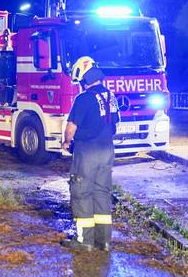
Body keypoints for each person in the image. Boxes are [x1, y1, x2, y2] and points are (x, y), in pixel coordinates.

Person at [61, 56, 120, 252]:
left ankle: (84, 241)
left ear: (84, 78)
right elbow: (115, 124)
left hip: (87, 152)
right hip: (107, 150)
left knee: (81, 192)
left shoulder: (83, 98)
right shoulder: (110, 96)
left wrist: (67, 142)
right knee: (102, 193)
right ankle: (104, 241)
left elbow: (71, 127)